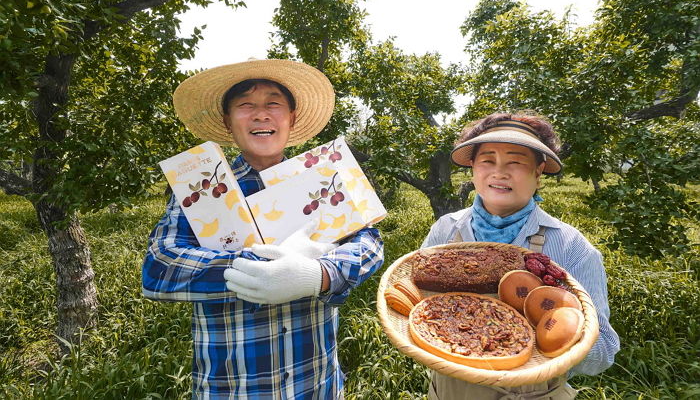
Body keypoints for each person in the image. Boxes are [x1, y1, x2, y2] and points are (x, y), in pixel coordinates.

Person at [142, 59, 384, 399]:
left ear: (291, 118)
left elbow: (369, 240)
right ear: (227, 122)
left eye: (274, 103)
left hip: (317, 384)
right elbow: (159, 268)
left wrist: (319, 274)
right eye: (245, 105)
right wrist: (252, 270)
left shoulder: (321, 178)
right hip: (234, 389)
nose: (261, 114)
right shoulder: (202, 192)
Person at [421, 112, 620, 400]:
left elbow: (603, 353)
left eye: (515, 162)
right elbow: (417, 308)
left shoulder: (569, 247)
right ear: (473, 169)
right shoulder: (446, 231)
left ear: (538, 173)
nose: (499, 172)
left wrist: (557, 325)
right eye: (487, 160)